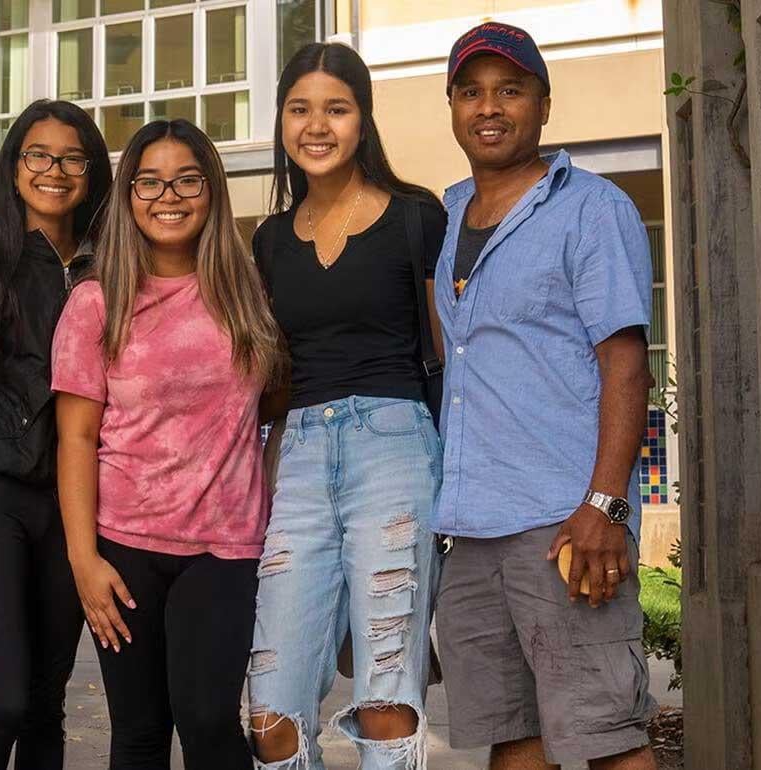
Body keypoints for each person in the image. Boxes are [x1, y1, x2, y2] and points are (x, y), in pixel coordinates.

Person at [429, 23, 658, 770]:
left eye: (510, 90)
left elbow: (626, 366)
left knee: (606, 737)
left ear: (544, 104)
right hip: (471, 532)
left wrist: (605, 507)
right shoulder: (447, 217)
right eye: (471, 92)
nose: (489, 107)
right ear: (454, 107)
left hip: (564, 526)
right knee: (515, 739)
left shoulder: (590, 208)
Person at [51, 119, 284, 769]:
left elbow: (275, 402)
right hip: (124, 547)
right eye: (149, 182)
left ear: (212, 191)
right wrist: (83, 560)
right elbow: (76, 437)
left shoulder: (248, 292)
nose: (168, 196)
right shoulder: (96, 302)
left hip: (226, 545)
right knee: (139, 733)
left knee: (209, 723)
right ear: (128, 195)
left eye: (187, 180)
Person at [244, 43, 447, 770]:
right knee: (270, 716)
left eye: (336, 108)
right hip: (299, 455)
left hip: (394, 448)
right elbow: (272, 374)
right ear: (281, 121)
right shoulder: (269, 239)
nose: (316, 126)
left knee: (385, 698)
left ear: (363, 119)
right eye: (299, 109)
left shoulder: (417, 217)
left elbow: (447, 354)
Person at [0, 99, 112, 770]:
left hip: (77, 504)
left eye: (72, 158)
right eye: (39, 155)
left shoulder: (111, 270)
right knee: (2, 699)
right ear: (14, 167)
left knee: (45, 702)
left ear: (91, 173)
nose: (54, 170)